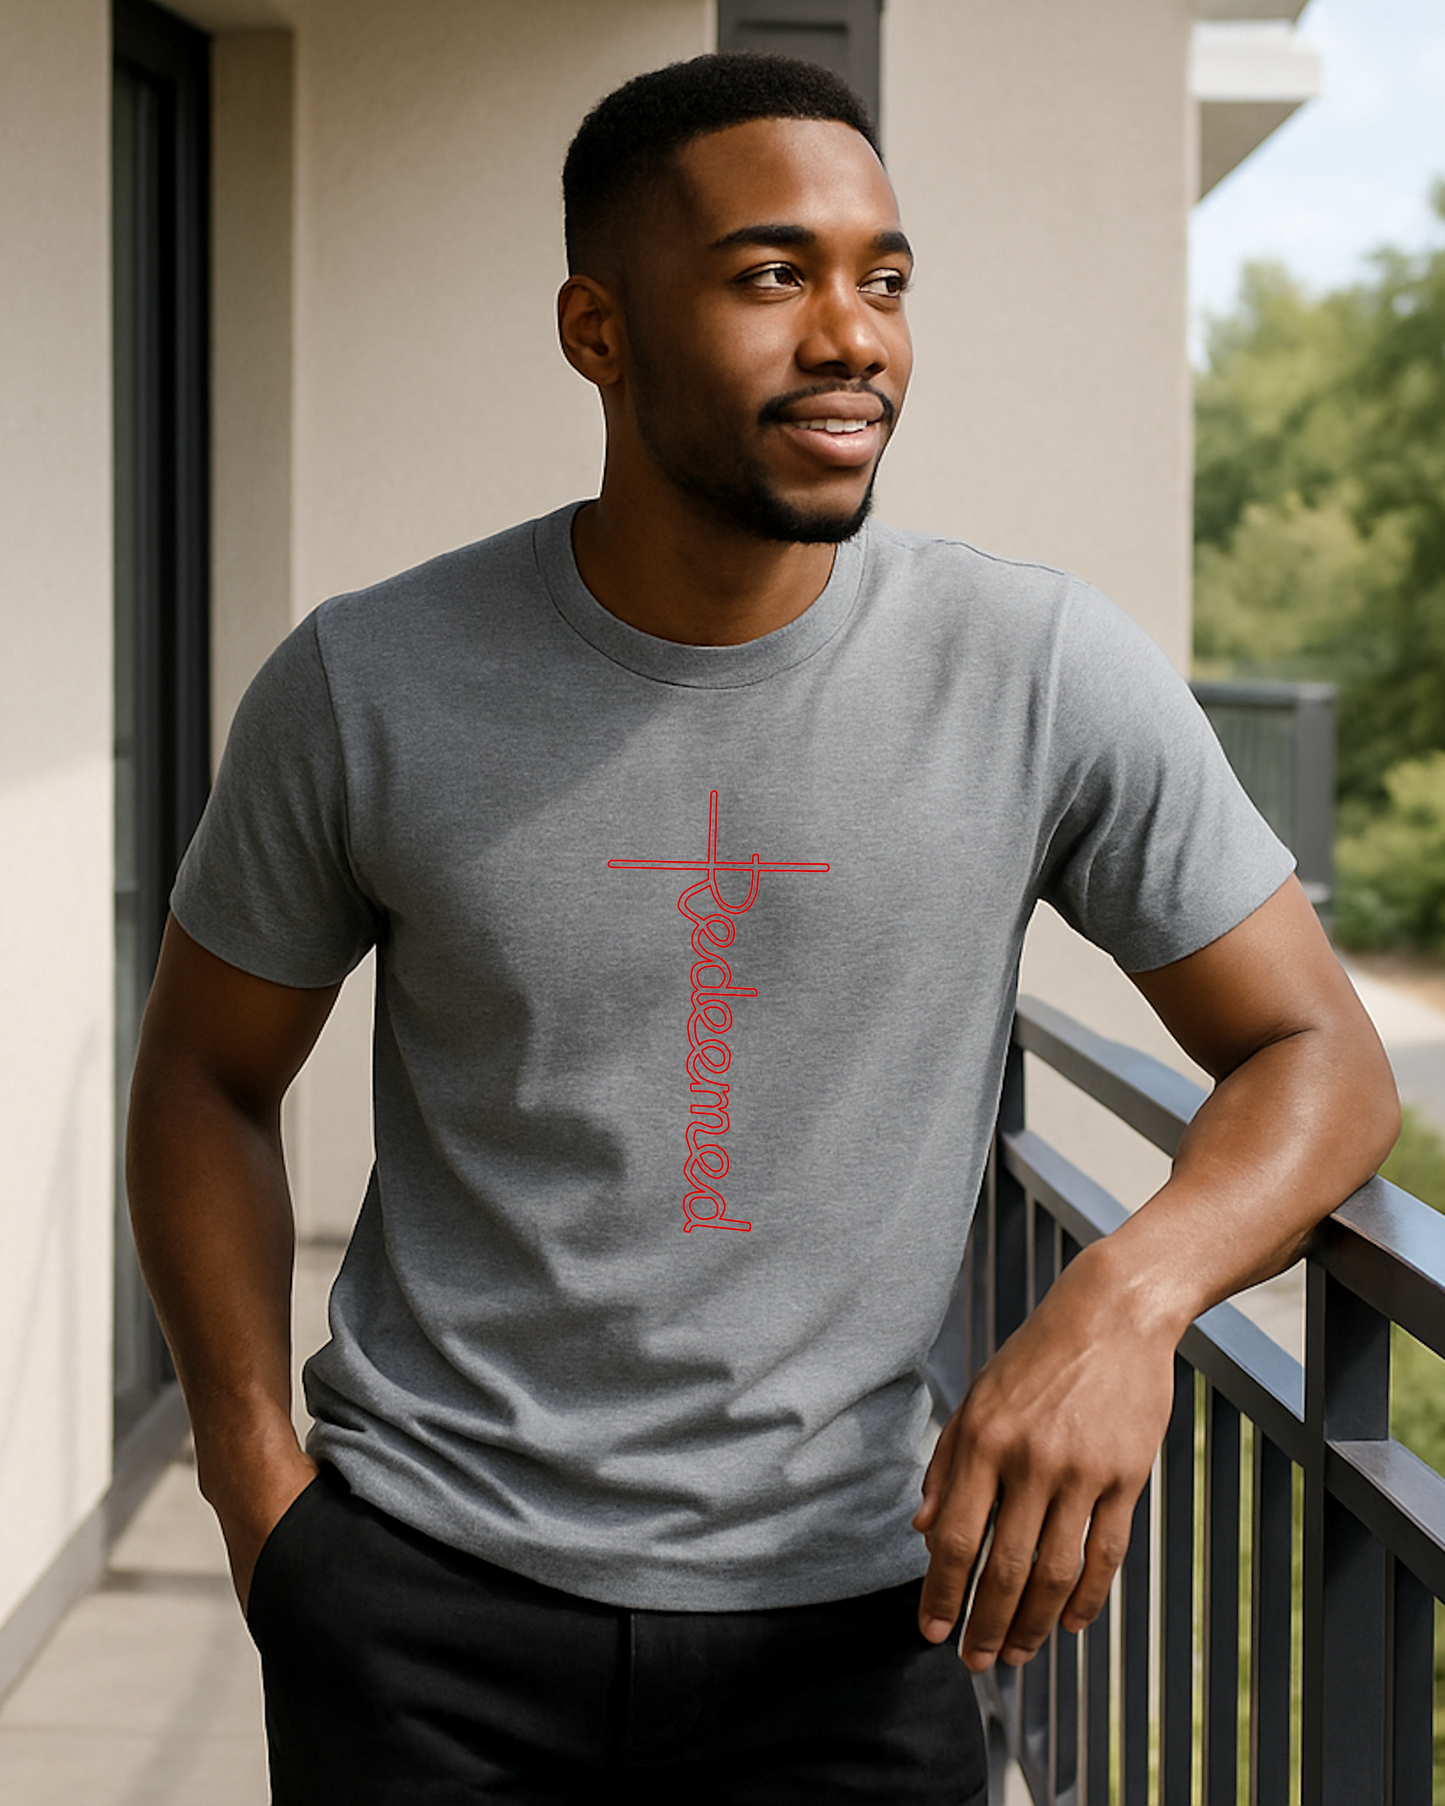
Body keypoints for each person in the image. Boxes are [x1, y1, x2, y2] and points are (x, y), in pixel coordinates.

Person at [126, 51, 1397, 1806]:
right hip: (421, 1605)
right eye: (772, 275)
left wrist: (1128, 1296)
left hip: (859, 1632)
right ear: (599, 329)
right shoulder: (368, 680)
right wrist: (258, 1488)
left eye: (884, 279)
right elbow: (203, 1071)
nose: (854, 336)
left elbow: (1322, 1056)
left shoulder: (1035, 669)